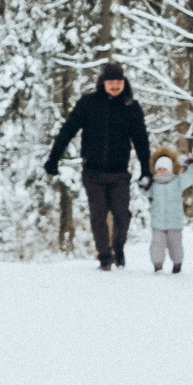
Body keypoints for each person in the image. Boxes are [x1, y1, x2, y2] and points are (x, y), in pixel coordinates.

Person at [43, 61, 154, 269]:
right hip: (93, 171)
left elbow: (141, 142)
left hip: (120, 172)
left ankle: (118, 247)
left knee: (122, 214)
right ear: (103, 82)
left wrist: (146, 170)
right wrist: (53, 158)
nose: (115, 86)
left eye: (118, 81)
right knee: (98, 215)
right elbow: (68, 130)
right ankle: (105, 257)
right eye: (111, 81)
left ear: (124, 82)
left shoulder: (131, 107)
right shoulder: (88, 103)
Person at [144, 148, 193, 274]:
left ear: (170, 169)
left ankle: (177, 264)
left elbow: (189, 178)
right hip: (158, 221)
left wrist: (189, 165)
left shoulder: (177, 181)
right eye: (158, 169)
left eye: (164, 169)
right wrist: (142, 184)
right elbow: (145, 191)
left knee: (175, 246)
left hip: (174, 222)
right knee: (157, 245)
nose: (161, 171)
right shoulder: (153, 183)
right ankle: (158, 265)